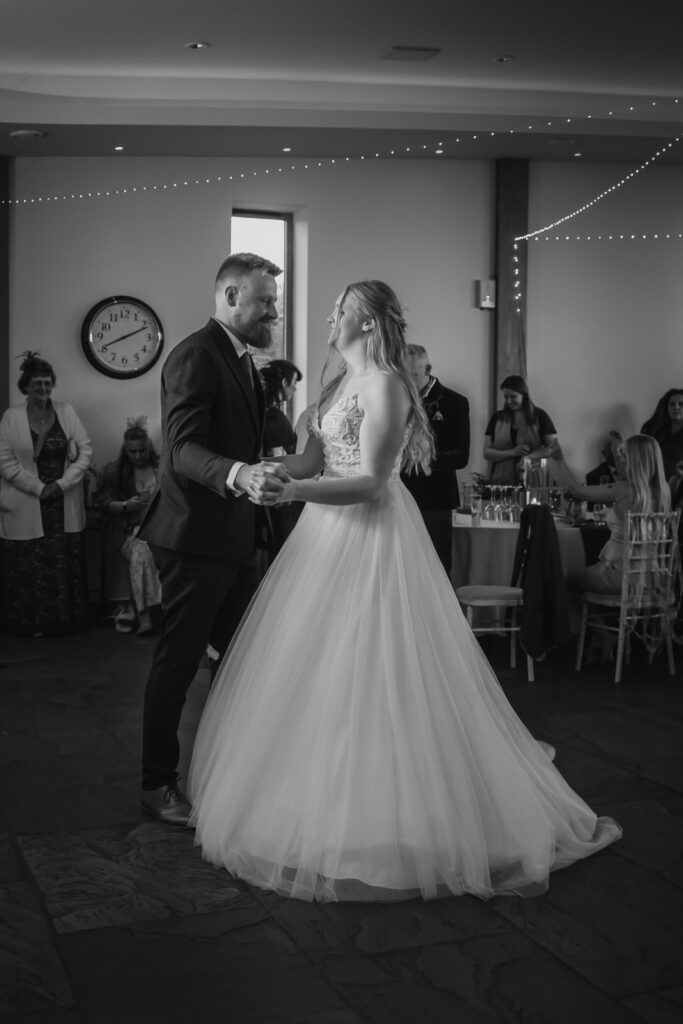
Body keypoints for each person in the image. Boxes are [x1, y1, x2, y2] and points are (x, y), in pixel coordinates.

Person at [188, 280, 621, 903]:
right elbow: (313, 461)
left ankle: (398, 810)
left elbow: (369, 482)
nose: (330, 318)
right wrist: (271, 472)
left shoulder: (387, 385)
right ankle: (320, 797)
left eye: (341, 310)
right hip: (323, 538)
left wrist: (296, 492)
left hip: (373, 537)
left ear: (367, 322)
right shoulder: (339, 384)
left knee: (377, 662)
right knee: (320, 665)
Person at [136, 252, 289, 827]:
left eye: (274, 301)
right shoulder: (195, 356)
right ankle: (156, 782)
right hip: (194, 537)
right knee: (178, 664)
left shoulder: (243, 360)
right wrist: (239, 474)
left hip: (236, 536)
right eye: (265, 300)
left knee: (241, 660)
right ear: (230, 297)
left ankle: (228, 775)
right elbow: (182, 449)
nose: (273, 311)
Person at [551, 434, 670, 663]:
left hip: (619, 576)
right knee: (588, 576)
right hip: (652, 577)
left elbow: (577, 491)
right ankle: (603, 639)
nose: (620, 460)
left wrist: (558, 459)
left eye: (625, 455)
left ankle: (603, 636)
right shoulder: (663, 490)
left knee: (568, 581)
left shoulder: (626, 489)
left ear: (637, 460)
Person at [0, 351, 92, 636]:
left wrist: (61, 485)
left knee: (63, 561)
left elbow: (85, 452)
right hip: (28, 500)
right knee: (30, 564)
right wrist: (39, 488)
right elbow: (5, 461)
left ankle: (63, 622)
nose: (43, 387)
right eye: (37, 383)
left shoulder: (66, 411)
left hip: (63, 500)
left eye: (47, 382)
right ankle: (31, 624)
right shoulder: (11, 417)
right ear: (25, 386)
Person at [400, 343, 469, 575]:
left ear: (428, 369)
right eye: (403, 375)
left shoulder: (454, 402)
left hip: (435, 499)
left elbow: (461, 455)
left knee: (435, 568)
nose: (407, 382)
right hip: (399, 496)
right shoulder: (395, 399)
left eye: (413, 375)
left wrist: (424, 459)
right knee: (402, 568)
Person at [94, 418, 162, 635]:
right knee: (141, 553)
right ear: (126, 451)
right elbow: (103, 503)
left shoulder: (161, 468)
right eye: (133, 452)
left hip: (163, 532)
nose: (138, 456)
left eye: (142, 451)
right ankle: (145, 616)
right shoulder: (116, 473)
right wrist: (126, 505)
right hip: (133, 535)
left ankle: (171, 614)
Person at [259, 359, 303, 555]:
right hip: (279, 498)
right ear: (284, 383)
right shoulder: (276, 419)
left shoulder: (261, 414)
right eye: (293, 383)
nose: (295, 388)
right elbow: (287, 457)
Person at [483, 375, 557, 484]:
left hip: (533, 478)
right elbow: (486, 452)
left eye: (513, 396)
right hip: (501, 481)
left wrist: (529, 457)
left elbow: (553, 448)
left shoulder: (539, 416)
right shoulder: (497, 418)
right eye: (506, 397)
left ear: (524, 395)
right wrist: (511, 452)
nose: (508, 401)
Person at [641, 388, 683, 478]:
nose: (676, 407)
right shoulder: (656, 430)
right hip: (654, 480)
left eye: (681, 404)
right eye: (672, 404)